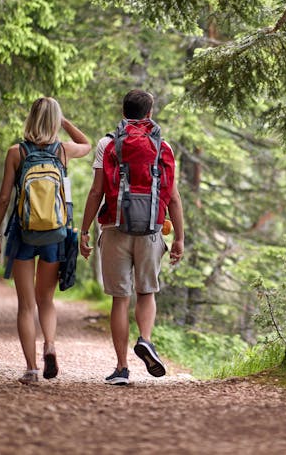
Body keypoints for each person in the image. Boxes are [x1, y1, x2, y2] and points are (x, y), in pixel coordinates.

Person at [79, 89, 184, 385]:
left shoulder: (107, 144)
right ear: (150, 114)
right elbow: (173, 197)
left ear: (123, 112)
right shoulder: (163, 146)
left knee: (119, 299)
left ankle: (122, 368)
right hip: (151, 228)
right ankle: (146, 340)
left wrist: (84, 230)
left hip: (114, 228)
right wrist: (179, 238)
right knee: (146, 292)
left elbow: (96, 191)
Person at [0, 97, 91, 384]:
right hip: (54, 235)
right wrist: (64, 122)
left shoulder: (16, 152)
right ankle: (50, 345)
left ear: (30, 118)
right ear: (54, 121)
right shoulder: (63, 150)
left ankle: (32, 369)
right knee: (46, 299)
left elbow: (4, 198)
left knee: (26, 305)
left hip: (23, 234)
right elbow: (86, 143)